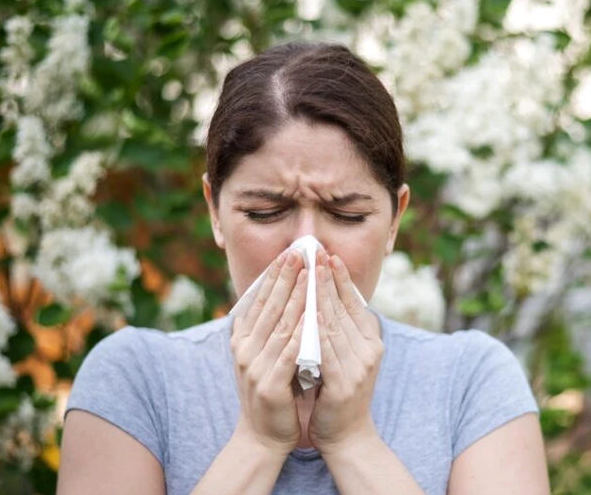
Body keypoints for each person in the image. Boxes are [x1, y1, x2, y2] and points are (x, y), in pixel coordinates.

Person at [56, 42, 549, 495]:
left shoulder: (471, 382)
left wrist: (354, 440)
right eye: (266, 212)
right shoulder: (136, 379)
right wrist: (258, 442)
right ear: (215, 212)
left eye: (347, 215)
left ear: (396, 220)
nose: (306, 248)